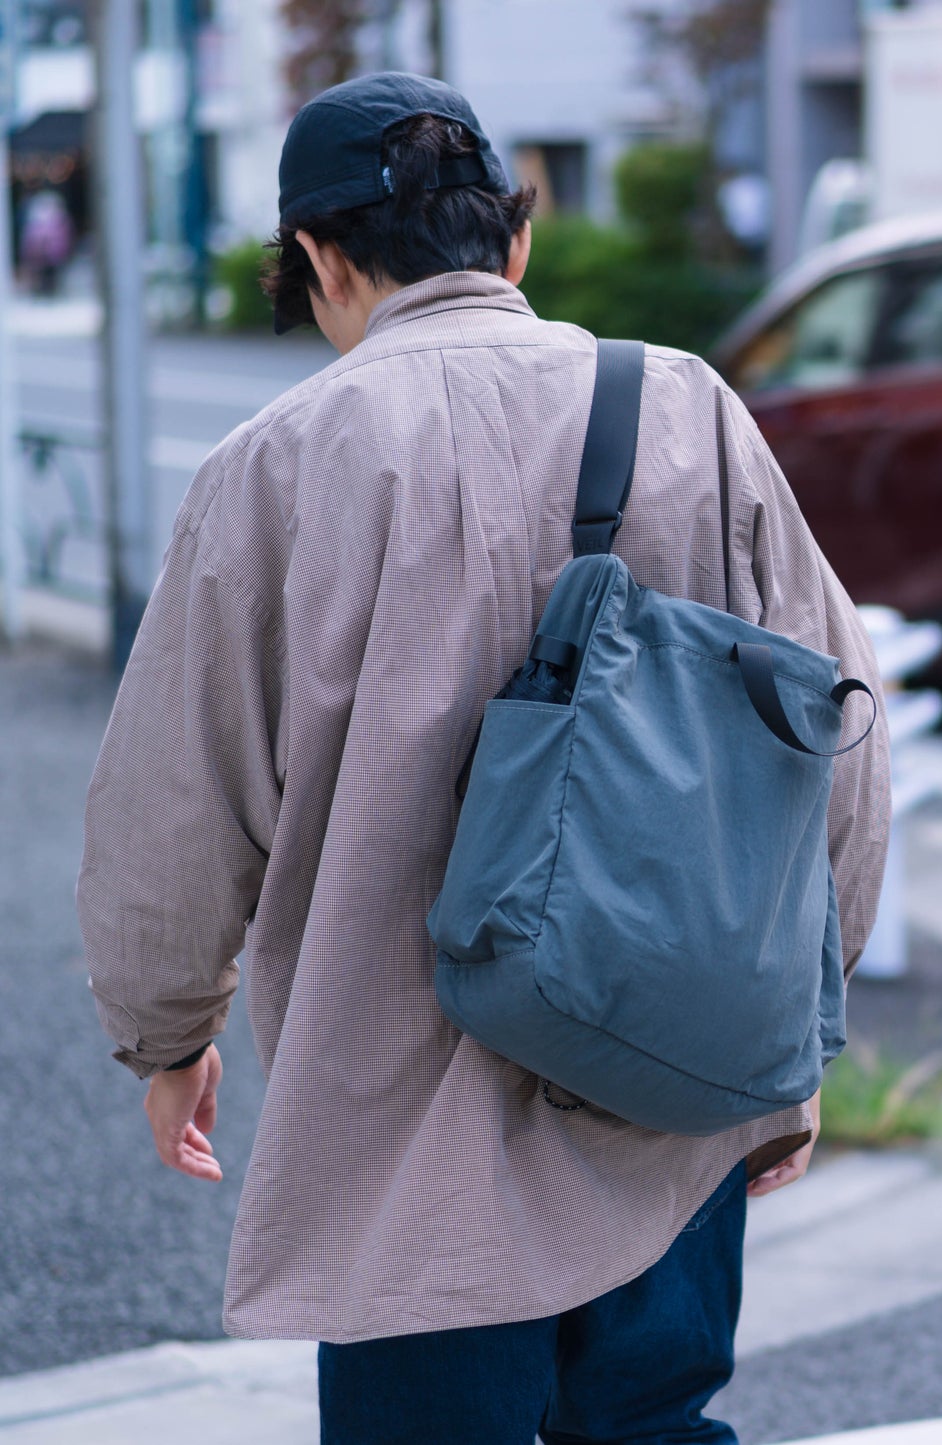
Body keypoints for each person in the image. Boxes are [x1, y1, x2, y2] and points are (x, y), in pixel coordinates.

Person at [78, 72, 890, 1444]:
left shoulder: (271, 466)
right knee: (653, 1423)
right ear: (510, 242)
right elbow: (836, 739)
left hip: (404, 1121)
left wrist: (169, 1031)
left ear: (321, 261)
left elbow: (174, 801)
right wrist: (791, 1037)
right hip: (668, 1077)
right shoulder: (687, 408)